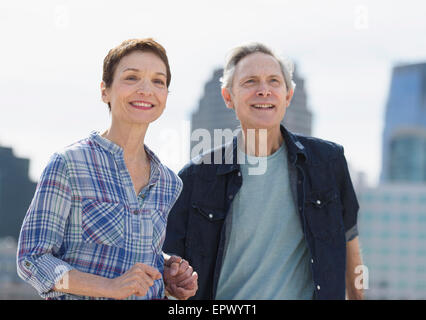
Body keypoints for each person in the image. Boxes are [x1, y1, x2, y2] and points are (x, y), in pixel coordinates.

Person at [163, 43, 364, 300]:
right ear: (228, 97)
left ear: (288, 95)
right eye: (250, 82)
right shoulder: (195, 179)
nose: (264, 90)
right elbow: (171, 274)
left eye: (273, 81)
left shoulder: (328, 163)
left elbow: (351, 248)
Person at [17, 38, 197, 300]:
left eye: (158, 81)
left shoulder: (169, 182)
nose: (146, 89)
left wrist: (168, 270)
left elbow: (133, 250)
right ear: (105, 91)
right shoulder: (69, 164)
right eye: (132, 77)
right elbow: (32, 259)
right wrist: (108, 286)